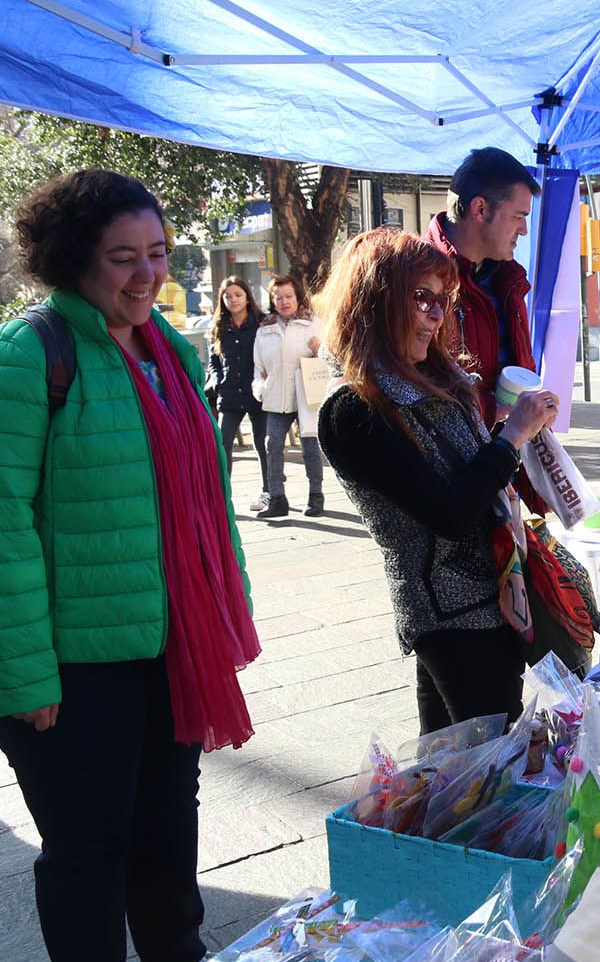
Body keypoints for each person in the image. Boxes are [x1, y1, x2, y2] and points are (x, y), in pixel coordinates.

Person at [0, 169, 260, 962]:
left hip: (166, 649)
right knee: (89, 851)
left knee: (167, 843)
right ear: (72, 260)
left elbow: (210, 507)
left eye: (157, 253)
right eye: (123, 257)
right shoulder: (22, 356)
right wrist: (27, 675)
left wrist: (226, 618)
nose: (147, 274)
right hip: (67, 663)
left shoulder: (171, 353)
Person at [315, 229, 560, 732]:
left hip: (496, 596)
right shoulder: (354, 410)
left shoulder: (435, 379)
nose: (436, 314)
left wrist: (514, 437)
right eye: (421, 298)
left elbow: (470, 473)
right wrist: (509, 438)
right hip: (448, 615)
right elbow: (448, 512)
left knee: (452, 769)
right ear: (375, 302)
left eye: (443, 301)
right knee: (489, 765)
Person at [424, 146, 541, 424]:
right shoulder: (417, 281)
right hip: (458, 462)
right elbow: (413, 387)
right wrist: (494, 412)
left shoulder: (508, 279)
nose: (524, 230)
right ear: (480, 209)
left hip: (508, 457)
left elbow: (521, 368)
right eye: (518, 216)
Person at [252, 274, 324, 518]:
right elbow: (258, 368)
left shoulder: (313, 323)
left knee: (310, 448)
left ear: (297, 297)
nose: (284, 301)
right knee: (272, 444)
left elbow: (331, 358)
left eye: (289, 296)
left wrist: (319, 351)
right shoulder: (265, 329)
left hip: (305, 397)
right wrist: (260, 388)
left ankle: (316, 495)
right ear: (272, 300)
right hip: (275, 398)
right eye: (278, 297)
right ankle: (277, 498)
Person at [208, 276, 270, 510]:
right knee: (222, 444)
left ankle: (269, 491)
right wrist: (216, 380)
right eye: (227, 296)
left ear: (247, 297)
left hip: (256, 391)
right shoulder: (218, 327)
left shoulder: (262, 323)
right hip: (229, 392)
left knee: (261, 443)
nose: (232, 300)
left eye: (237, 295)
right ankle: (221, 495)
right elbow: (214, 361)